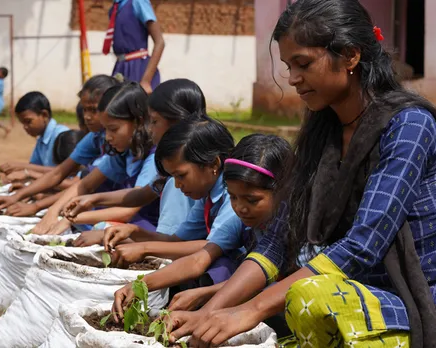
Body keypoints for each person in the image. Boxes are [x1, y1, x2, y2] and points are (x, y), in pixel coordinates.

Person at [167, 1, 436, 347]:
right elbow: (277, 239)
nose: (293, 78)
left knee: (308, 298)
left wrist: (249, 310)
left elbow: (362, 245)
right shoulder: (323, 132)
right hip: (357, 295)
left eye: (304, 64)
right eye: (288, 66)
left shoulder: (409, 126)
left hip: (421, 302)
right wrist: (212, 311)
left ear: (351, 56)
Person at [104, 118, 246, 322]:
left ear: (213, 164)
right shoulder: (207, 195)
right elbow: (176, 241)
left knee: (219, 265)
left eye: (181, 175)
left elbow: (207, 249)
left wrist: (144, 250)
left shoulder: (233, 196)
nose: (177, 185)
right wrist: (134, 232)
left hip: (242, 277)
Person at [63, 78, 207, 240]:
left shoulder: (185, 170)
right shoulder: (170, 165)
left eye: (154, 122)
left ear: (178, 121)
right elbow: (141, 194)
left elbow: (173, 242)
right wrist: (93, 200)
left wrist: (125, 238)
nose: (150, 129)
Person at [167, 134, 293, 313]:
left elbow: (283, 284)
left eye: (252, 200)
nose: (240, 208)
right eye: (233, 197)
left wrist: (206, 296)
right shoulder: (240, 223)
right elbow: (198, 259)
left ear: (282, 191)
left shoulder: (299, 229)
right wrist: (141, 283)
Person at [30, 81, 159, 235]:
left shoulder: (154, 157)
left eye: (113, 129)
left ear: (137, 122)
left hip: (148, 228)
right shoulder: (124, 152)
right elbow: (85, 185)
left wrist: (70, 218)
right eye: (105, 130)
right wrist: (52, 211)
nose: (108, 137)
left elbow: (128, 211)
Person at [0, 75, 120, 215]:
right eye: (85, 110)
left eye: (93, 110)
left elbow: (81, 185)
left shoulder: (117, 143)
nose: (87, 116)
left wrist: (37, 204)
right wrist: (16, 197)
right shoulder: (95, 137)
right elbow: (58, 173)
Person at [4, 129, 87, 217]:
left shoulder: (92, 165)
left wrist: (29, 174)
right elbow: (57, 175)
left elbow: (73, 186)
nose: (69, 172)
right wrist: (29, 192)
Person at [103, 0, 164, 93]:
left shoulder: (138, 2)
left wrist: (146, 81)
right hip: (120, 67)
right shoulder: (114, 8)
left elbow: (160, 42)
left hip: (139, 68)